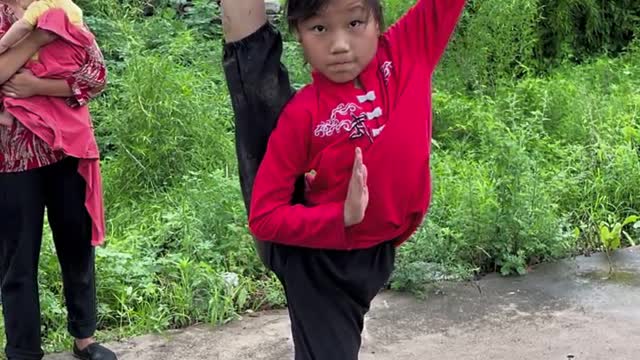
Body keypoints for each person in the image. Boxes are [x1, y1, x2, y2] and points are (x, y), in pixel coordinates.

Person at [221, 0, 466, 358]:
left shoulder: (406, 53)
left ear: (377, 23)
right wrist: (340, 216)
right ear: (299, 36)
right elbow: (263, 216)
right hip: (321, 266)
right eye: (319, 28)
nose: (339, 45)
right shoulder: (302, 115)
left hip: (376, 253)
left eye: (354, 23)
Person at [0, 1, 116, 359]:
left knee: (77, 244)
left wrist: (36, 85)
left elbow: (97, 73)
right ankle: (23, 351)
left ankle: (85, 338)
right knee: (17, 257)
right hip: (13, 158)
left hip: (68, 151)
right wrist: (35, 40)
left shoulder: (60, 6)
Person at [0, 0, 85, 127]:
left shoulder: (44, 5)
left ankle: (7, 115)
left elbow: (96, 80)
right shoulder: (70, 8)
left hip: (62, 122)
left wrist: (38, 86)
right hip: (17, 136)